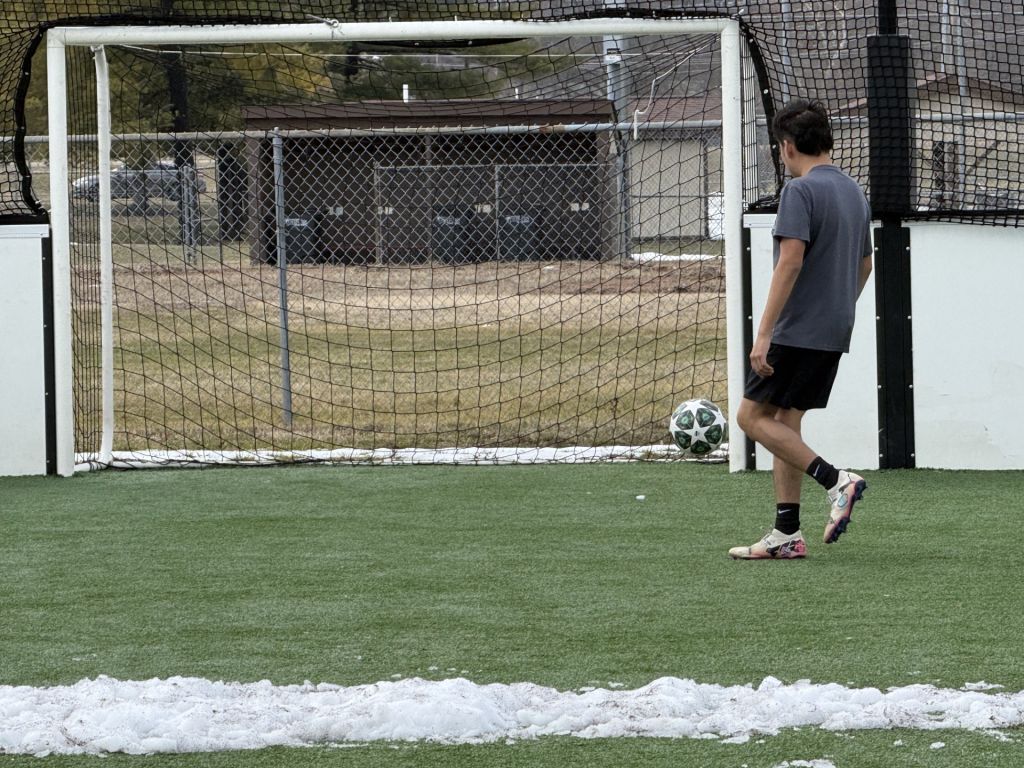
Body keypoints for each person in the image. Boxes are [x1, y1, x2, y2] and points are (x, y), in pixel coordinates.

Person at [729, 99, 873, 560]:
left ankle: (837, 481)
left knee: (751, 418)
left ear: (787, 147)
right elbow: (866, 263)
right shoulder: (853, 191)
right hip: (832, 329)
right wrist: (837, 306)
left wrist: (764, 332)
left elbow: (790, 261)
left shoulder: (801, 192)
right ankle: (786, 535)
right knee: (785, 424)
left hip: (795, 330)